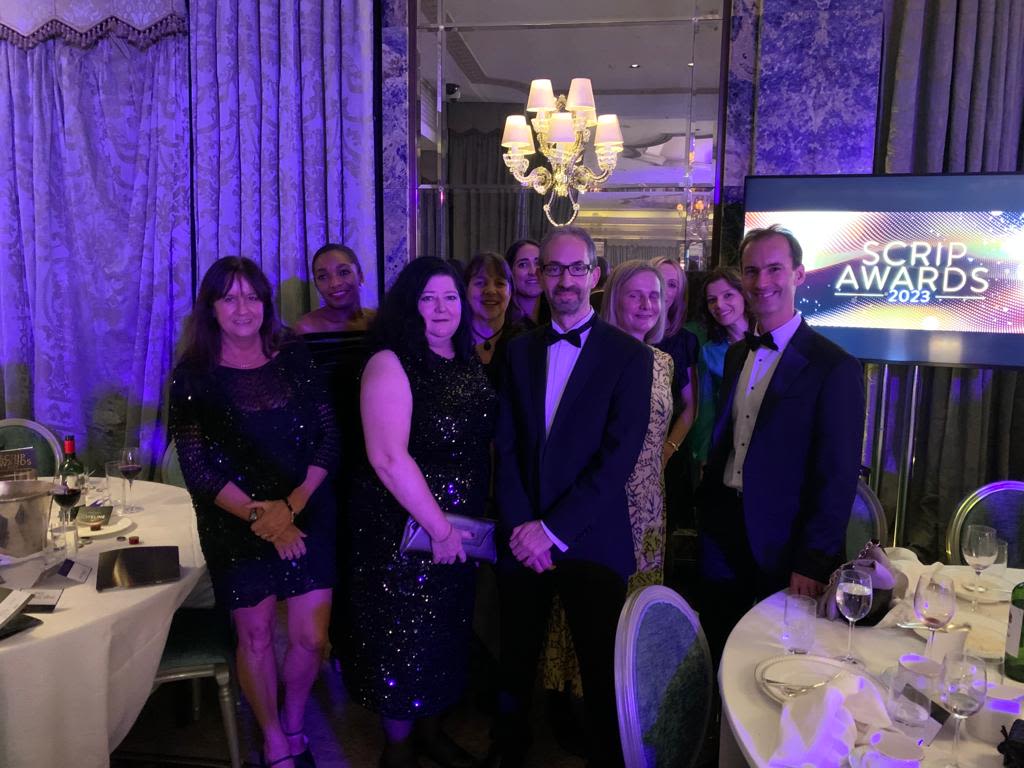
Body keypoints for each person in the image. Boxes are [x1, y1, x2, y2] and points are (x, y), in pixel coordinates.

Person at [492, 226, 652, 768]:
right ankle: (508, 751)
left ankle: (610, 759)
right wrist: (522, 527)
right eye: (553, 269)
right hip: (521, 538)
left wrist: (554, 529)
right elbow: (506, 449)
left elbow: (616, 460)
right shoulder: (516, 352)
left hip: (591, 537)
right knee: (513, 659)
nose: (564, 280)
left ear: (595, 275)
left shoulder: (631, 357)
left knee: (601, 670)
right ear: (539, 275)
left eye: (575, 268)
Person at [169, 256, 338, 768]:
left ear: (266, 303)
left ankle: (293, 719)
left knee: (311, 636)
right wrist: (261, 518)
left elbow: (329, 436)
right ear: (211, 308)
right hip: (234, 521)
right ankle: (273, 738)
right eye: (229, 297)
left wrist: (291, 508)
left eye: (252, 296)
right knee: (258, 635)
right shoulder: (193, 375)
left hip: (305, 508)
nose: (243, 307)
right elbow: (197, 467)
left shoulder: (292, 355)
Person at [342, 257, 497, 768]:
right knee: (402, 643)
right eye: (428, 298)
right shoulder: (390, 361)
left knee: (444, 634)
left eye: (450, 296)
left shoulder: (464, 357)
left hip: (459, 529)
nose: (441, 308)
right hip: (403, 530)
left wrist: (459, 530)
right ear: (410, 304)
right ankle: (399, 750)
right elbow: (387, 458)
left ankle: (431, 734)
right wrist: (438, 528)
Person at [695, 225, 865, 664]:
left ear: (799, 275)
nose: (761, 282)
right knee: (718, 651)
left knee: (782, 657)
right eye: (751, 271)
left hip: (786, 542)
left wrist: (812, 560)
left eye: (774, 269)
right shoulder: (737, 354)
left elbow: (837, 476)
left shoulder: (835, 366)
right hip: (723, 531)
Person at [540, 261, 674, 711]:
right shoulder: (594, 353)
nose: (646, 304)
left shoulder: (664, 361)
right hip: (600, 497)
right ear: (612, 297)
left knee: (635, 608)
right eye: (634, 295)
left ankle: (628, 704)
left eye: (654, 295)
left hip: (649, 502)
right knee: (588, 609)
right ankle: (577, 700)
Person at [650, 256, 700, 532]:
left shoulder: (685, 341)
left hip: (670, 450)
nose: (662, 290)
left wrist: (667, 451)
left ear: (678, 294)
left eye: (671, 284)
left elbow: (691, 407)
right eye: (657, 280)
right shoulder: (624, 333)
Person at [690, 267, 752, 469]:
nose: (719, 305)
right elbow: (706, 409)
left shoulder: (771, 339)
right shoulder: (709, 351)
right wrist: (704, 457)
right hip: (728, 446)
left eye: (728, 295)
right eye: (711, 300)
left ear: (743, 294)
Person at [464, 251, 518, 389]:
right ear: (465, 289)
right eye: (480, 283)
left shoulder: (525, 344)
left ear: (510, 292)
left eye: (499, 283)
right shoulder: (452, 343)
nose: (490, 291)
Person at [294, 243, 376, 334]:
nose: (335, 283)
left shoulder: (378, 321)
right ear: (316, 284)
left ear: (360, 276)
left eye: (343, 272)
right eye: (323, 277)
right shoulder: (306, 328)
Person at [504, 238, 549, 329]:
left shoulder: (559, 314)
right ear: (510, 271)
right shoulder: (500, 319)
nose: (533, 272)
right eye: (523, 265)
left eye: (538, 263)